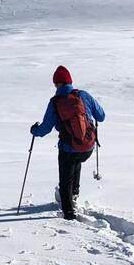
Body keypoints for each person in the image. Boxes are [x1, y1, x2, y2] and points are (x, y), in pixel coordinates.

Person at [30, 65, 105, 220]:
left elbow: (45, 129)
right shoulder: (83, 95)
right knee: (77, 161)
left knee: (66, 179)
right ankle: (75, 195)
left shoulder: (56, 102)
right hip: (88, 147)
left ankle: (69, 214)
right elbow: (102, 116)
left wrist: (34, 130)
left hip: (68, 148)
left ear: (57, 84)